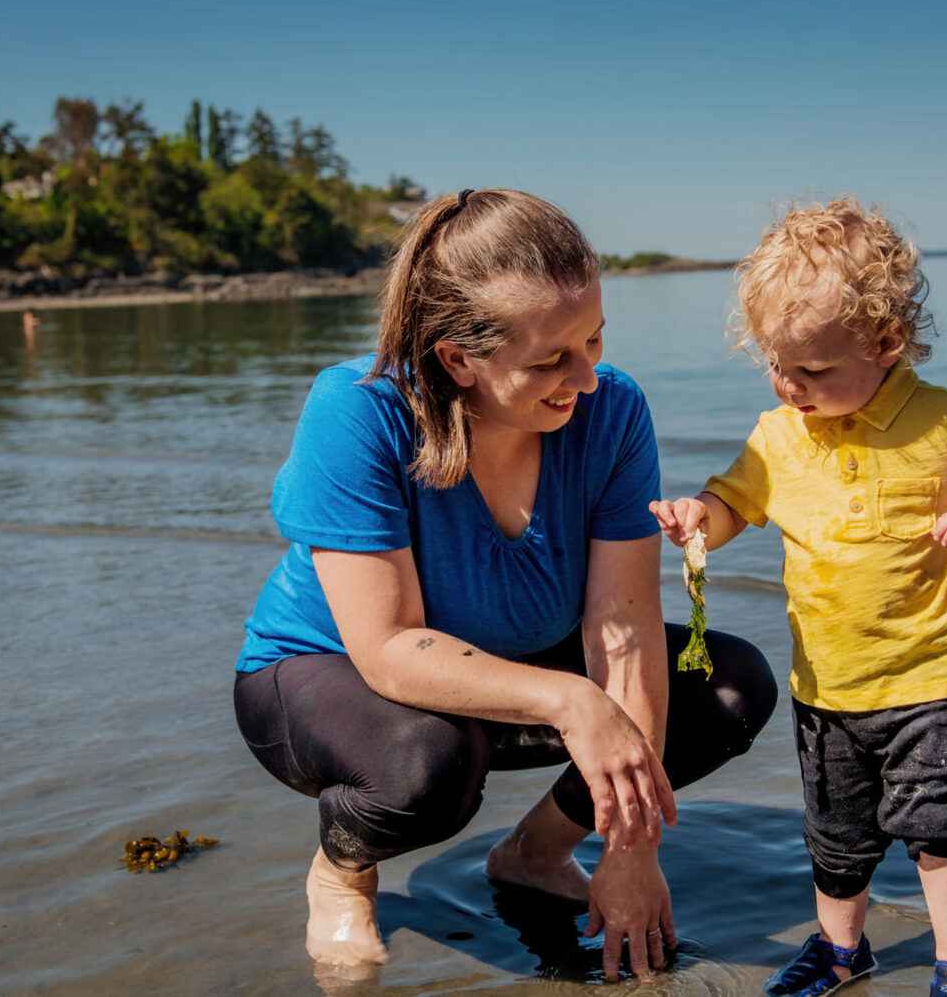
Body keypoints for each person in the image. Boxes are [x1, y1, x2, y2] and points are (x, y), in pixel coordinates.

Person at [233, 188, 777, 982]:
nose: (587, 377)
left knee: (725, 689)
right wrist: (574, 702)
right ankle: (342, 869)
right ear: (458, 358)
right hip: (334, 681)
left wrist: (630, 846)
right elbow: (387, 650)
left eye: (594, 340)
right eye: (552, 359)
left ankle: (532, 852)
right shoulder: (357, 416)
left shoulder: (613, 410)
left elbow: (621, 622)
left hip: (511, 667)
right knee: (431, 765)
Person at [650, 199, 947, 996]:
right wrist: (694, 520)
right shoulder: (778, 436)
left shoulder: (943, 418)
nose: (790, 386)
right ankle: (842, 950)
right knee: (836, 842)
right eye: (777, 366)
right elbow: (731, 510)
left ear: (885, 343)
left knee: (941, 831)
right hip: (828, 689)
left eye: (812, 370)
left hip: (933, 679)